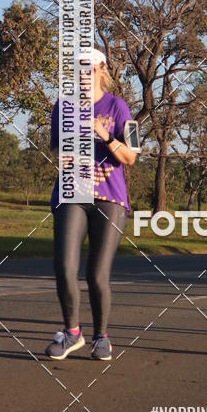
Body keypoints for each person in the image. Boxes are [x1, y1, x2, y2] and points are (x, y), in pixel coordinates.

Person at [46, 48, 137, 361]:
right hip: (72, 194)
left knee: (97, 275)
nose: (82, 74)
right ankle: (72, 333)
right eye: (77, 68)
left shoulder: (119, 106)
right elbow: (56, 152)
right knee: (64, 267)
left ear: (102, 69)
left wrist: (104, 135)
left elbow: (131, 156)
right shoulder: (63, 106)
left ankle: (102, 337)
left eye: (88, 68)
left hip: (109, 198)